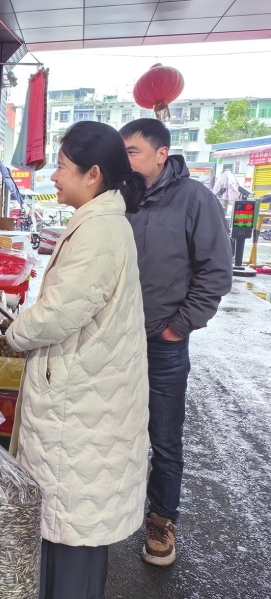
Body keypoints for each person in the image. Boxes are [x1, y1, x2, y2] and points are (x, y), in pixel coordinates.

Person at [5, 121, 150, 599]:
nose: (53, 176)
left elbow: (56, 315)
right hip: (86, 399)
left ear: (93, 174)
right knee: (67, 528)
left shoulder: (100, 231)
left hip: (82, 409)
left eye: (62, 167)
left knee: (72, 530)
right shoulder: (99, 221)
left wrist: (14, 331)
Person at [120, 119, 233, 567]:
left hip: (162, 342)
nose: (125, 159)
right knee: (113, 427)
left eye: (132, 151)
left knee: (164, 438)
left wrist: (178, 327)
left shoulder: (195, 199)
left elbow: (215, 272)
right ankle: (113, 508)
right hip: (116, 340)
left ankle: (161, 519)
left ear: (161, 154)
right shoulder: (119, 197)